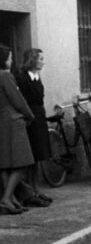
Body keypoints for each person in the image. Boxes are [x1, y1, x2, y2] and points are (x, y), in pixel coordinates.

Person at [14, 48, 52, 206]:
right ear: (33, 60)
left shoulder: (37, 77)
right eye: (40, 58)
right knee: (30, 157)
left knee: (38, 156)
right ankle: (29, 192)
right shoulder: (22, 78)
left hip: (39, 117)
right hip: (30, 118)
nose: (43, 61)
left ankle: (36, 189)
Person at [0, 45, 35, 215]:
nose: (11, 60)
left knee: (6, 165)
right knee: (22, 163)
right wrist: (30, 115)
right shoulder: (5, 76)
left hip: (2, 123)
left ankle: (11, 200)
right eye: (10, 57)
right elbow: (18, 100)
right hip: (13, 123)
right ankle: (7, 198)